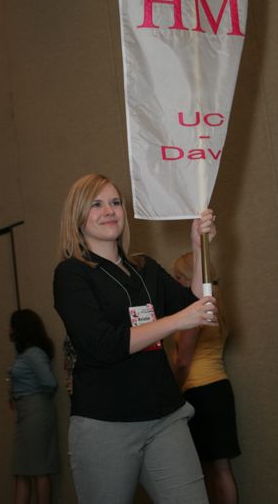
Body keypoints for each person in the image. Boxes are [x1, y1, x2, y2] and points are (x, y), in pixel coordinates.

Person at [53, 173, 217, 504]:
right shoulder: (71, 273)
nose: (109, 211)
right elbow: (102, 345)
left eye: (115, 202)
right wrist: (175, 322)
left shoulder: (145, 268)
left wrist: (199, 248)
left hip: (165, 417)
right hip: (105, 424)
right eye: (96, 204)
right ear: (78, 217)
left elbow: (194, 306)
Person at [171, 253, 240, 504]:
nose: (175, 282)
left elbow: (183, 361)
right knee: (221, 467)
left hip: (199, 392)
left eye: (178, 277)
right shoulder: (219, 305)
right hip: (220, 388)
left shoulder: (196, 311)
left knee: (209, 469)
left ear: (189, 278)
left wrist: (172, 390)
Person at [8, 309, 60, 504]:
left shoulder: (34, 353)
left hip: (35, 413)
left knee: (39, 469)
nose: (9, 330)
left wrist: (32, 397)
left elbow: (50, 382)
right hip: (27, 414)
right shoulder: (24, 353)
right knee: (22, 469)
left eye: (12, 326)